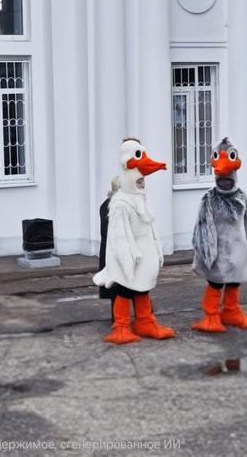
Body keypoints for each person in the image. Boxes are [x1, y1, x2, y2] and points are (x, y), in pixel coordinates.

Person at [93, 138, 175, 344]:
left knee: (143, 288)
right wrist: (126, 261)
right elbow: (119, 237)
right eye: (139, 180)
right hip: (129, 260)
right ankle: (121, 326)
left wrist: (156, 251)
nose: (142, 183)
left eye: (142, 181)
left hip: (144, 256)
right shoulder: (119, 203)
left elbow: (149, 227)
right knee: (123, 290)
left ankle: (145, 321)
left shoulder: (140, 199)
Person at [191, 137, 247, 332]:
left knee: (234, 282)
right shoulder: (209, 198)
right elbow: (202, 228)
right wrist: (206, 254)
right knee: (215, 283)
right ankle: (211, 316)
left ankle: (231, 311)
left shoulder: (241, 196)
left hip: (239, 252)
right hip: (217, 255)